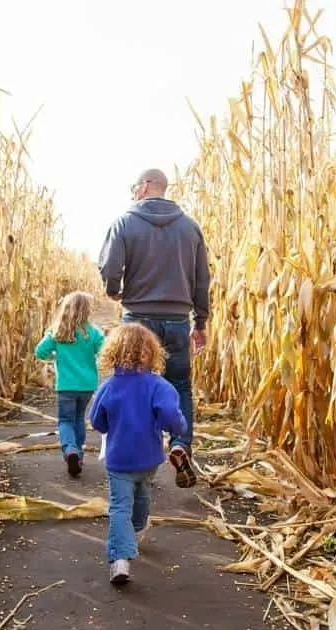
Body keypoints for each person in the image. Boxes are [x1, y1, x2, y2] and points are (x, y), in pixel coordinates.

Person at [98, 168, 210, 488]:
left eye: (134, 187)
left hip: (136, 320)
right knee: (179, 385)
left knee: (132, 386)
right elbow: (202, 279)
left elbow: (109, 266)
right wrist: (200, 322)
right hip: (177, 320)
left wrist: (113, 289)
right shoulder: (190, 228)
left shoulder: (124, 223)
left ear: (145, 187)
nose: (132, 193)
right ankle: (180, 443)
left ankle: (135, 461)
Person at [89, 323, 187, 584]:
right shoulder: (159, 385)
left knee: (120, 505)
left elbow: (97, 422)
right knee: (142, 495)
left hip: (119, 458)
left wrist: (112, 422)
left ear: (114, 353)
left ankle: (120, 558)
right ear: (151, 353)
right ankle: (131, 534)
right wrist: (178, 428)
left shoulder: (108, 387)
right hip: (149, 458)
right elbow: (171, 417)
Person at [34, 292, 105, 477]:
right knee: (79, 418)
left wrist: (55, 356)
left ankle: (70, 450)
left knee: (66, 420)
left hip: (66, 385)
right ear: (87, 310)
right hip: (87, 385)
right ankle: (79, 455)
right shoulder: (93, 332)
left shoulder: (57, 332)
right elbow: (105, 351)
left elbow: (40, 352)